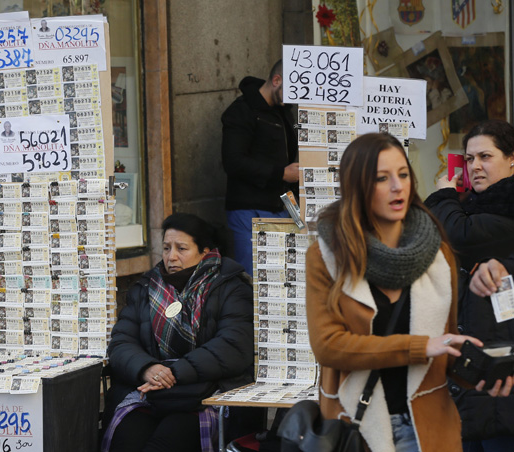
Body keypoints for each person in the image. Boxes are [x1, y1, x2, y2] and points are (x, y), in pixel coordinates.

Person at [306, 133, 512, 452]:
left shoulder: (437, 251)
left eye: (403, 175)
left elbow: (444, 345)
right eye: (381, 178)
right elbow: (328, 346)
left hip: (429, 426)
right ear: (357, 186)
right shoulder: (328, 254)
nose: (397, 186)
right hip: (358, 427)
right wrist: (422, 347)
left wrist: (484, 374)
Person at [103, 213, 255, 452]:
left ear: (205, 251)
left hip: (204, 394)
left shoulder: (230, 287)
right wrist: (147, 369)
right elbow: (122, 342)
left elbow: (233, 346)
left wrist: (173, 373)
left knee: (164, 444)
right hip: (150, 392)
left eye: (181, 248)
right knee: (125, 441)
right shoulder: (145, 288)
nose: (171, 256)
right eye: (166, 248)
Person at [423, 120, 514, 450]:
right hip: (470, 376)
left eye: (485, 157)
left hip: (501, 379)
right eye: (470, 158)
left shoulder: (503, 209)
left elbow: (458, 235)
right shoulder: (472, 207)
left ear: (512, 159)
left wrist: (444, 192)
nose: (475, 166)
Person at [221, 60, 299, 273]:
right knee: (255, 278)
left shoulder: (284, 111)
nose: (294, 97)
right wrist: (282, 173)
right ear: (276, 80)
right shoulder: (242, 111)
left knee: (285, 277)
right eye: (292, 90)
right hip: (250, 208)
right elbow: (233, 161)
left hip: (283, 204)